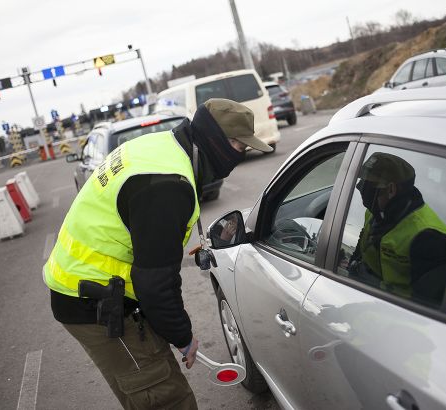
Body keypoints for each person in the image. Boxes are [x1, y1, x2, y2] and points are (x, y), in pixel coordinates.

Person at [43, 98, 273, 410]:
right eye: (238, 145)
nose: (241, 154)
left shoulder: (162, 147)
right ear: (215, 140)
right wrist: (183, 336)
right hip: (97, 303)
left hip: (87, 288)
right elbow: (155, 282)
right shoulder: (166, 186)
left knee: (145, 390)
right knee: (162, 395)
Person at [348, 152, 446, 313]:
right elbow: (362, 250)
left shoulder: (430, 237)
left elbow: (425, 312)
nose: (360, 188)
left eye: (367, 185)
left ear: (390, 189)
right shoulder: (375, 212)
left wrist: (355, 312)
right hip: (388, 304)